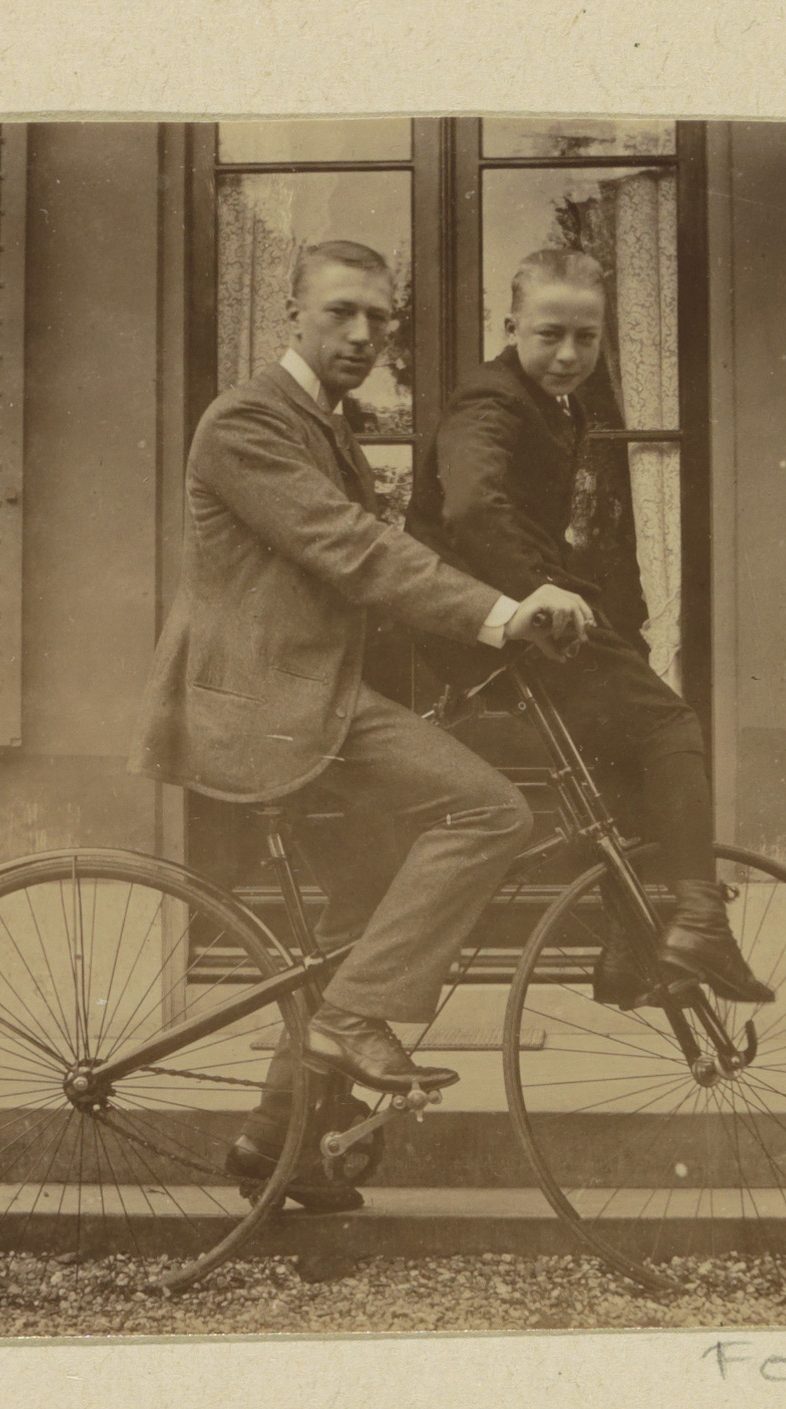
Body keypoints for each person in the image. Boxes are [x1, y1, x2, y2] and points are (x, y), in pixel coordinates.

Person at [135, 239, 592, 1207]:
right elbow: (349, 550)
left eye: (379, 317)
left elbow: (369, 565)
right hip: (271, 703)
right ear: (290, 314)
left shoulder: (328, 424)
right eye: (340, 311)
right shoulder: (249, 420)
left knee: (366, 912)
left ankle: (278, 1140)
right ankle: (348, 1026)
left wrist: (483, 642)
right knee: (490, 813)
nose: (362, 334)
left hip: (319, 690)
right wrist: (498, 614)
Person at [408, 248, 772, 1006]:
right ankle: (700, 921)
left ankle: (631, 948)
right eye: (550, 334)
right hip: (490, 618)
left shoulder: (555, 404)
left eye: (587, 337)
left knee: (622, 755)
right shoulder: (491, 400)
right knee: (669, 723)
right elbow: (472, 506)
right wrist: (541, 591)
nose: (570, 355)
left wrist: (603, 616)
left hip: (509, 613)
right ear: (511, 327)